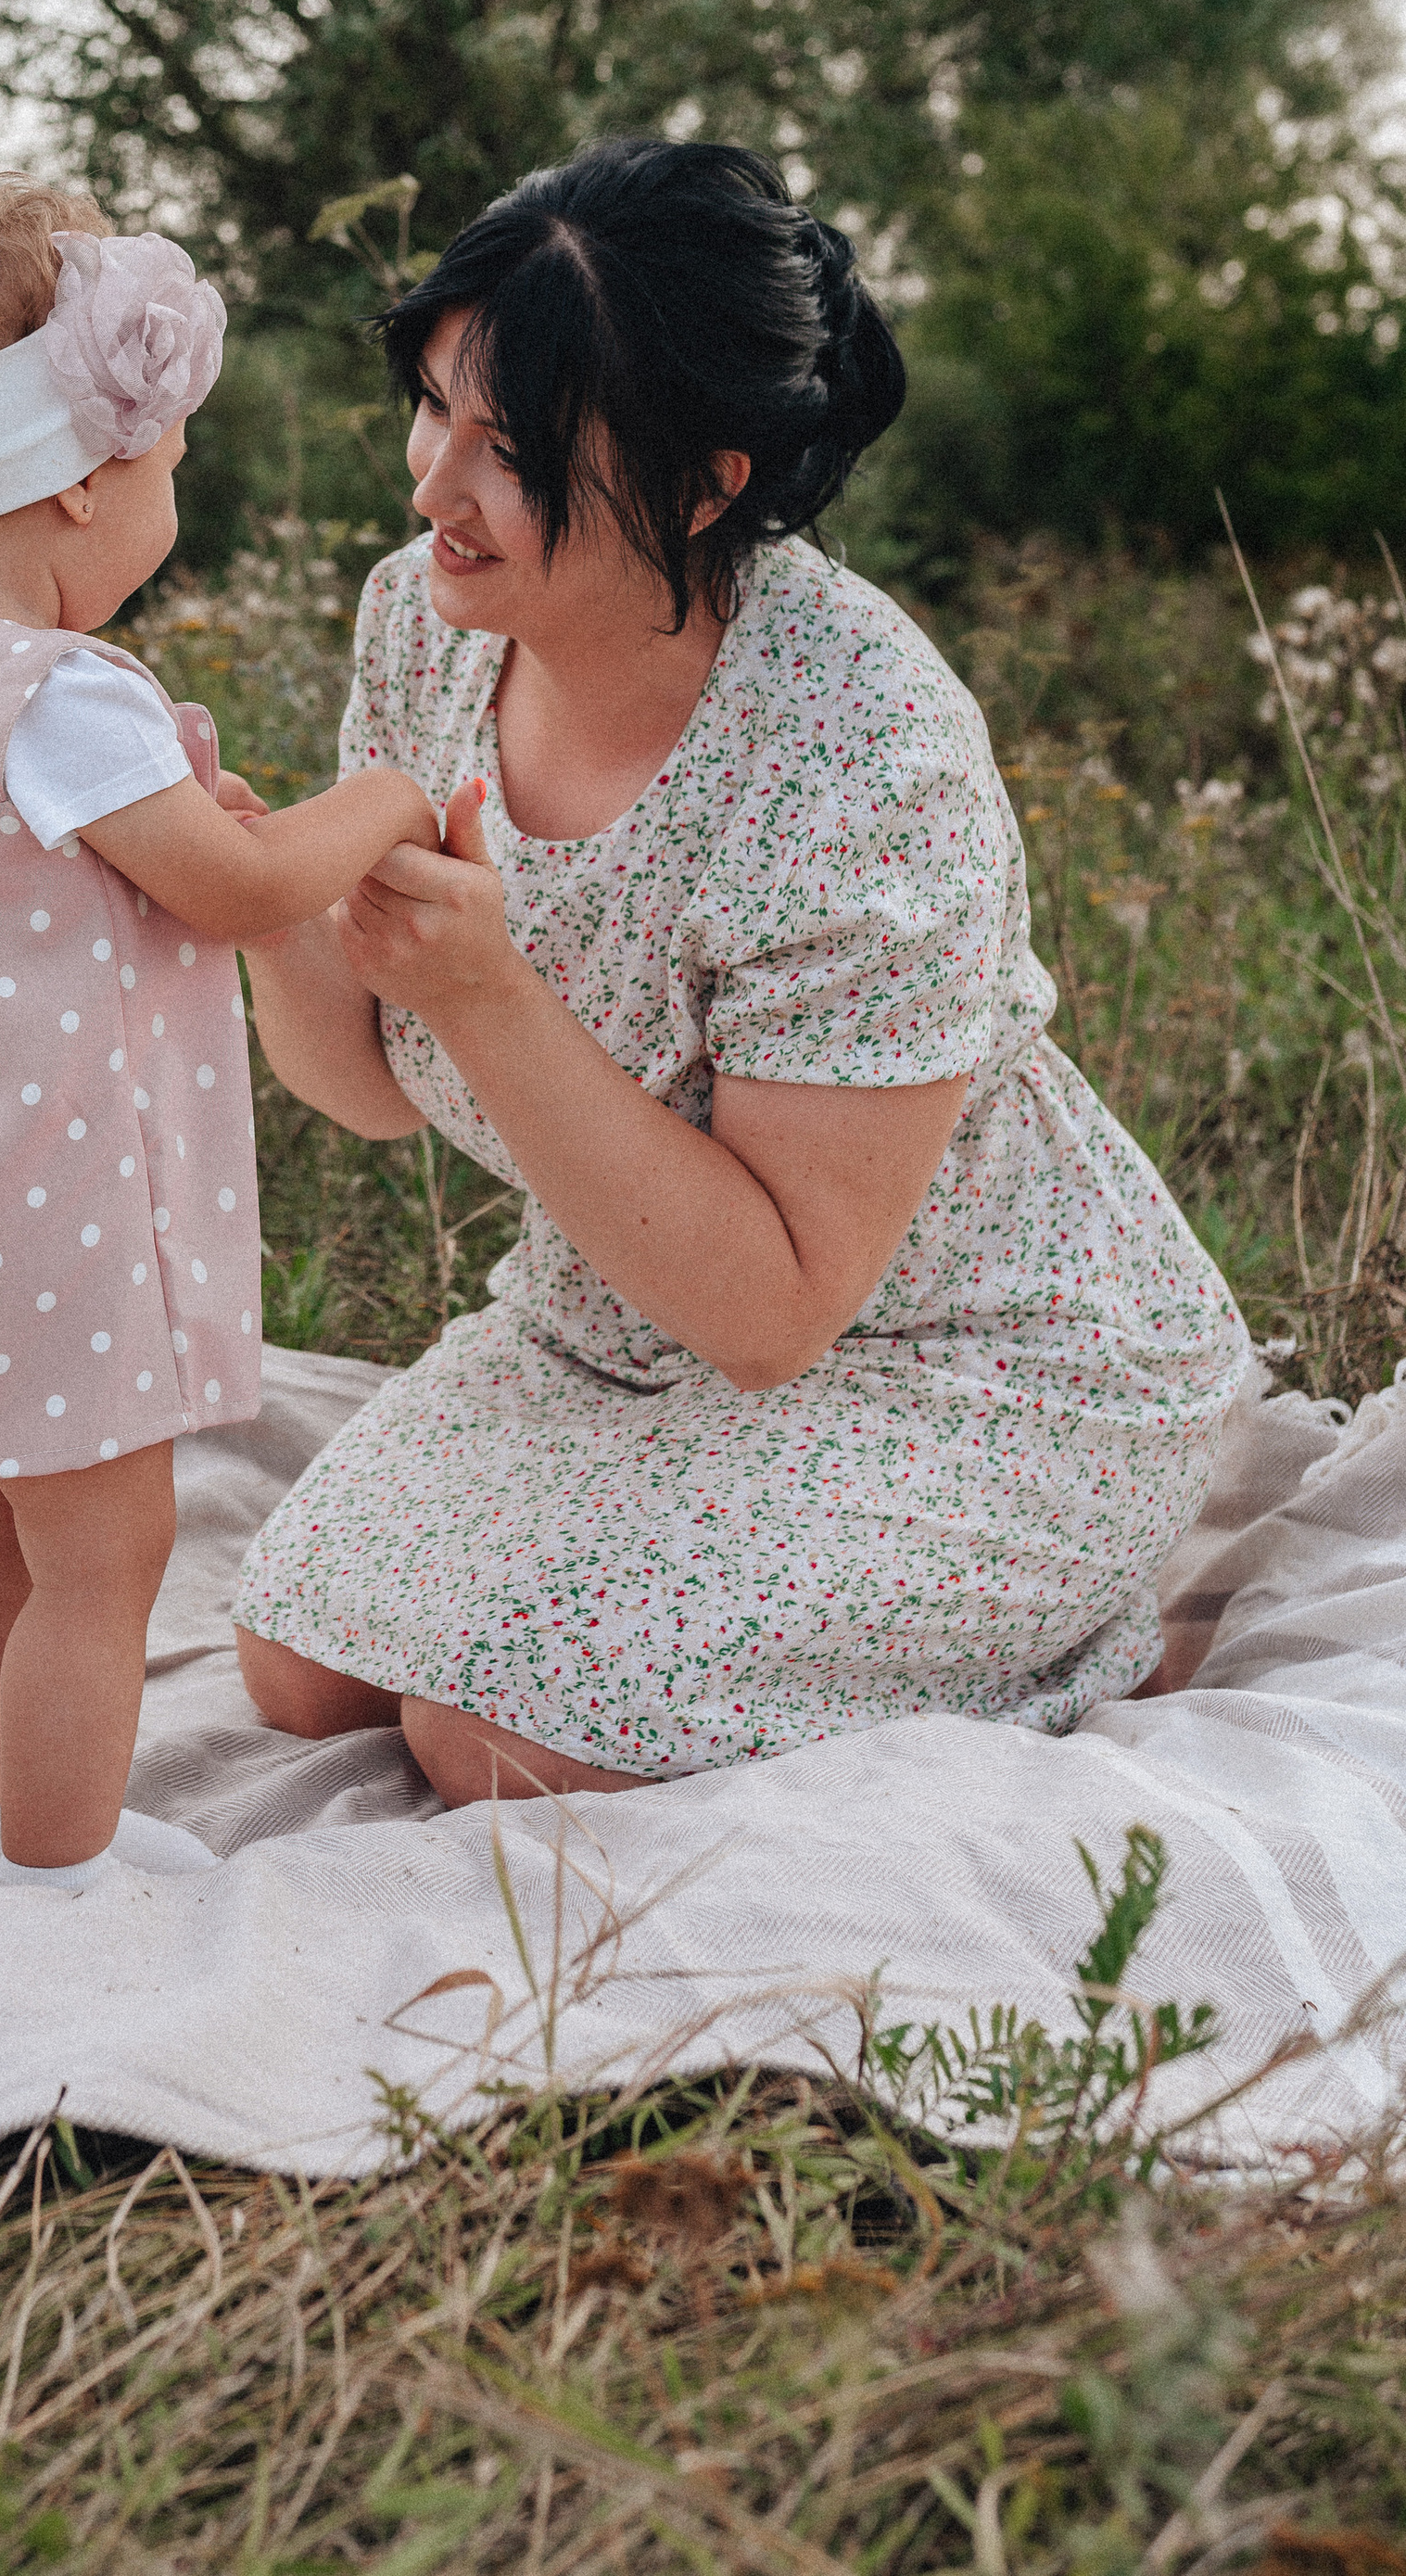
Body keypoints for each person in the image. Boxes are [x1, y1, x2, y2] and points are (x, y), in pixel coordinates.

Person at [231, 136, 1256, 1803]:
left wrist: (491, 993)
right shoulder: (425, 622)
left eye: (512, 449)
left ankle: (1067, 1632)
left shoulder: (864, 748)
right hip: (617, 1319)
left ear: (705, 483)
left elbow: (778, 1309)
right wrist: (269, 904)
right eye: (432, 407)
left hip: (956, 1356)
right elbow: (365, 1096)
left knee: (490, 1735)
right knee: (297, 1667)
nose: (433, 489)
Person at [0, 176, 439, 1892]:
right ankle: (58, 1876)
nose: (170, 498)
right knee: (108, 1555)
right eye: (168, 464)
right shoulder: (64, 698)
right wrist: (390, 797)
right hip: (46, 1212)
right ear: (79, 478)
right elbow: (238, 886)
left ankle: (3, 1817)